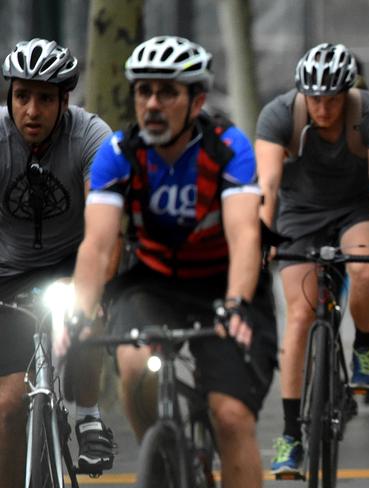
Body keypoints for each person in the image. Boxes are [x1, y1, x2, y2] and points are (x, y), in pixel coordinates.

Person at [64, 36, 277, 488]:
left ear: (196, 100)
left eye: (167, 91)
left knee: (230, 415)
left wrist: (237, 303)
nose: (153, 103)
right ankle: (162, 460)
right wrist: (81, 314)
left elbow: (244, 237)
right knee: (136, 367)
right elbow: (98, 246)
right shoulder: (119, 154)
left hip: (225, 283)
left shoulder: (227, 147)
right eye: (144, 91)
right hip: (154, 282)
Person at [255, 42, 369, 474]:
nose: (322, 107)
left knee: (363, 269)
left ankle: (367, 344)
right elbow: (269, 184)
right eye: (313, 98)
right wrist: (263, 234)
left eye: (331, 98)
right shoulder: (279, 115)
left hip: (356, 210)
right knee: (299, 317)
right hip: (300, 213)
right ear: (301, 94)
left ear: (347, 92)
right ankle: (291, 433)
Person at [0, 38, 115, 486]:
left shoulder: (91, 136)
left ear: (64, 101)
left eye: (44, 98)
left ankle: (87, 415)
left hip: (73, 263)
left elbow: (103, 223)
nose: (31, 110)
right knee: (8, 406)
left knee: (89, 312)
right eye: (21, 95)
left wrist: (95, 286)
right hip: (7, 276)